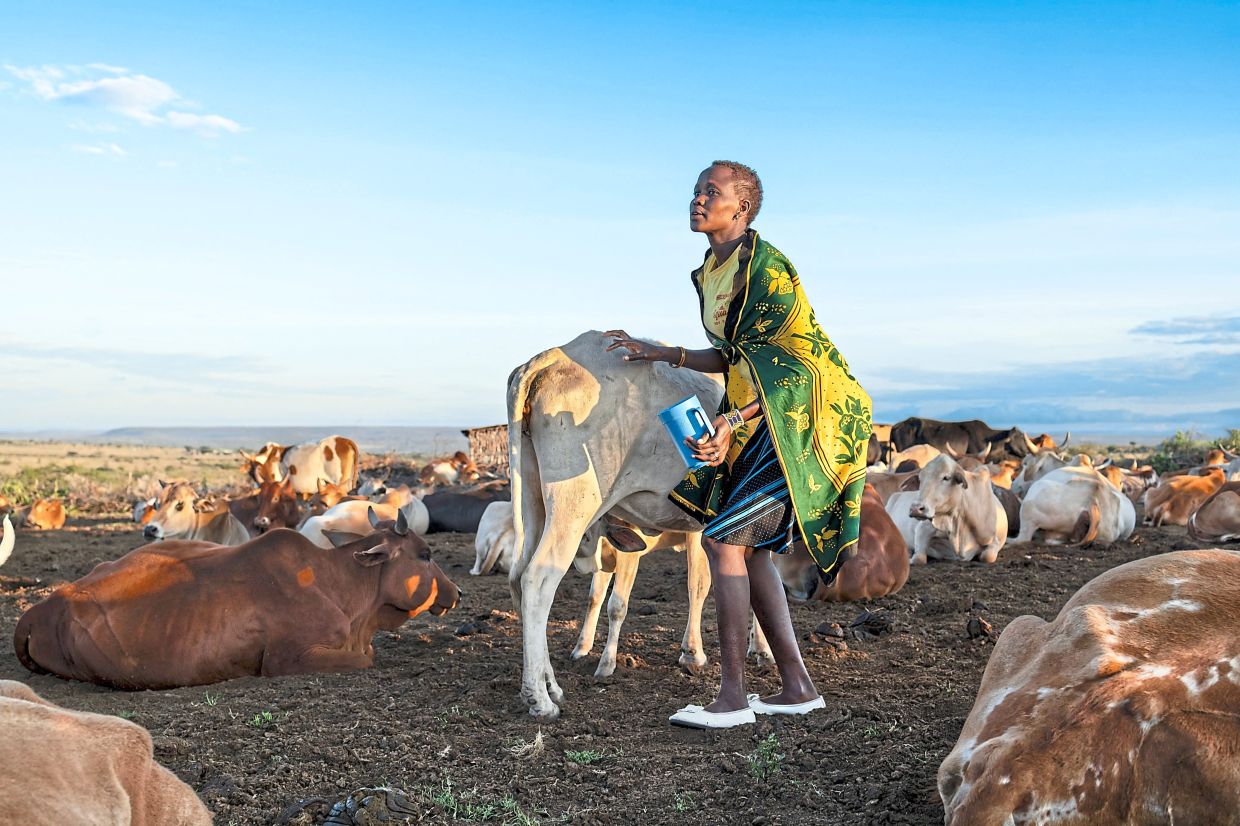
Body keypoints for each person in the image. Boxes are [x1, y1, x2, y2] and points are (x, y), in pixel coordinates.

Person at [604, 160, 872, 729]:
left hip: (806, 420)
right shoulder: (709, 270)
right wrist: (662, 353)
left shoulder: (767, 268)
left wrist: (735, 421)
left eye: (712, 192)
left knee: (724, 542)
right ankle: (797, 686)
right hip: (761, 416)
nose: (698, 199)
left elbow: (799, 365)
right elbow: (734, 355)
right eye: (697, 189)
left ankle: (731, 699)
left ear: (741, 208)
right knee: (748, 552)